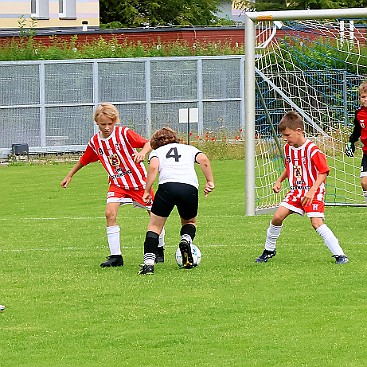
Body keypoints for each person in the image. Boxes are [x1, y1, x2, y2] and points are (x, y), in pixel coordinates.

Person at [60, 103, 165, 267]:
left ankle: (159, 249)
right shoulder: (95, 142)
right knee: (109, 213)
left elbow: (148, 143)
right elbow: (84, 159)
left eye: (110, 123)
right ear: (97, 122)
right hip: (117, 184)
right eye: (103, 124)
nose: (107, 127)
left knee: (154, 216)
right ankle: (116, 257)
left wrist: (143, 153)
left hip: (139, 183)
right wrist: (70, 175)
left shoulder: (124, 133)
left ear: (115, 121)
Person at [256, 111, 349, 265]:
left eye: (287, 135)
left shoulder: (312, 150)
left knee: (316, 223)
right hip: (296, 191)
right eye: (283, 136)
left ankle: (340, 255)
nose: (285, 139)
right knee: (277, 217)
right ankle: (269, 250)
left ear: (298, 131)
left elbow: (324, 172)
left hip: (314, 191)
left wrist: (312, 190)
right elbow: (290, 167)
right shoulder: (288, 148)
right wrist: (279, 180)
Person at [138, 127, 215, 275]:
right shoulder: (189, 149)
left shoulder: (156, 152)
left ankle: (148, 264)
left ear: (155, 142)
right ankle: (185, 240)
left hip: (167, 187)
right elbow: (204, 159)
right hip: (189, 187)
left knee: (154, 226)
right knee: (189, 222)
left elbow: (153, 167)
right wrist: (209, 181)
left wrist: (147, 190)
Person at [345, 81, 367, 205]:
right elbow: (357, 130)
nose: (365, 99)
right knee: (364, 183)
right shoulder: (359, 114)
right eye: (363, 96)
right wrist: (351, 142)